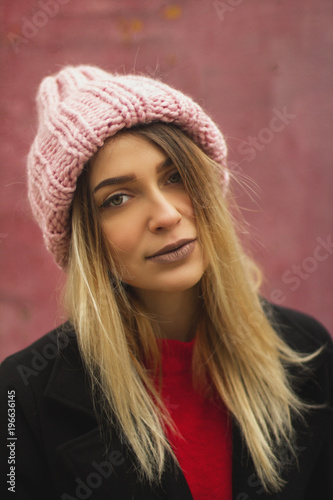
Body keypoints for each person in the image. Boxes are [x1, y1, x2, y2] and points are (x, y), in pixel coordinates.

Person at [0, 65, 332, 500]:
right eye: (117, 198)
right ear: (83, 239)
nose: (166, 215)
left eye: (175, 176)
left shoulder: (306, 349)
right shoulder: (19, 397)